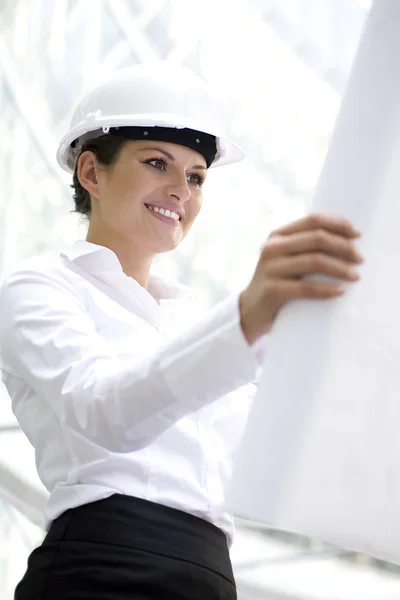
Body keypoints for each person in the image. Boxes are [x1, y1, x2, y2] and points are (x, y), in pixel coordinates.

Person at [0, 62, 363, 600]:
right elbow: (105, 409)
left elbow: (263, 460)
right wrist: (246, 318)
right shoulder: (37, 288)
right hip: (103, 568)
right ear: (91, 173)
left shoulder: (196, 321)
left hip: (210, 575)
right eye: (157, 164)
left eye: (195, 177)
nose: (181, 191)